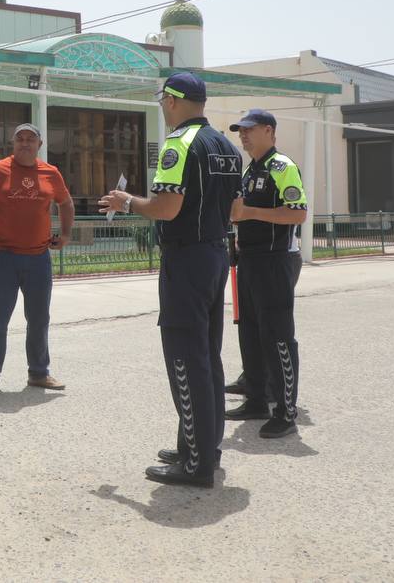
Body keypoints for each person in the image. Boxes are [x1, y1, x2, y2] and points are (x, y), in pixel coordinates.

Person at [101, 72, 242, 488]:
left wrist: (127, 202)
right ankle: (201, 446)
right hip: (216, 253)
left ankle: (195, 463)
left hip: (188, 259)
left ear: (175, 101)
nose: (162, 106)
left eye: (164, 100)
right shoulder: (226, 147)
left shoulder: (179, 144)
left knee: (185, 355)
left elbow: (166, 208)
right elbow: (234, 211)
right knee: (207, 355)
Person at [0, 123, 73, 395]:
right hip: (4, 257)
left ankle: (38, 373)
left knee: (39, 318)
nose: (25, 143)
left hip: (38, 258)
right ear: (13, 144)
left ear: (39, 145)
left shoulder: (51, 173)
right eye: (20, 139)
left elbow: (65, 203)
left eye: (30, 139)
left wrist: (66, 234)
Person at [226, 109, 307, 439]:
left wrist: (250, 212)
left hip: (274, 261)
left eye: (249, 129)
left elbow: (298, 214)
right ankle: (257, 400)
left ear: (269, 131)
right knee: (250, 333)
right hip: (248, 261)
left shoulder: (281, 166)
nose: (242, 135)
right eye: (240, 131)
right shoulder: (250, 171)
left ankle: (286, 412)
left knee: (278, 337)